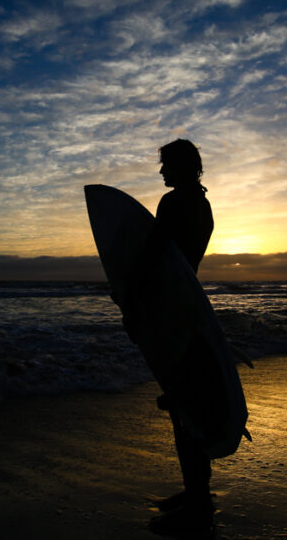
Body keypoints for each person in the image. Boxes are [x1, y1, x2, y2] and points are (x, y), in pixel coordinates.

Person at [120, 139, 216, 535]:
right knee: (186, 402)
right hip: (189, 308)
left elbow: (153, 258)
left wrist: (132, 304)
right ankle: (196, 493)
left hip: (169, 310)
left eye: (166, 165)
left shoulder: (174, 203)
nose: (161, 172)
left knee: (182, 405)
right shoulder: (203, 205)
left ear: (181, 166)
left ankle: (197, 504)